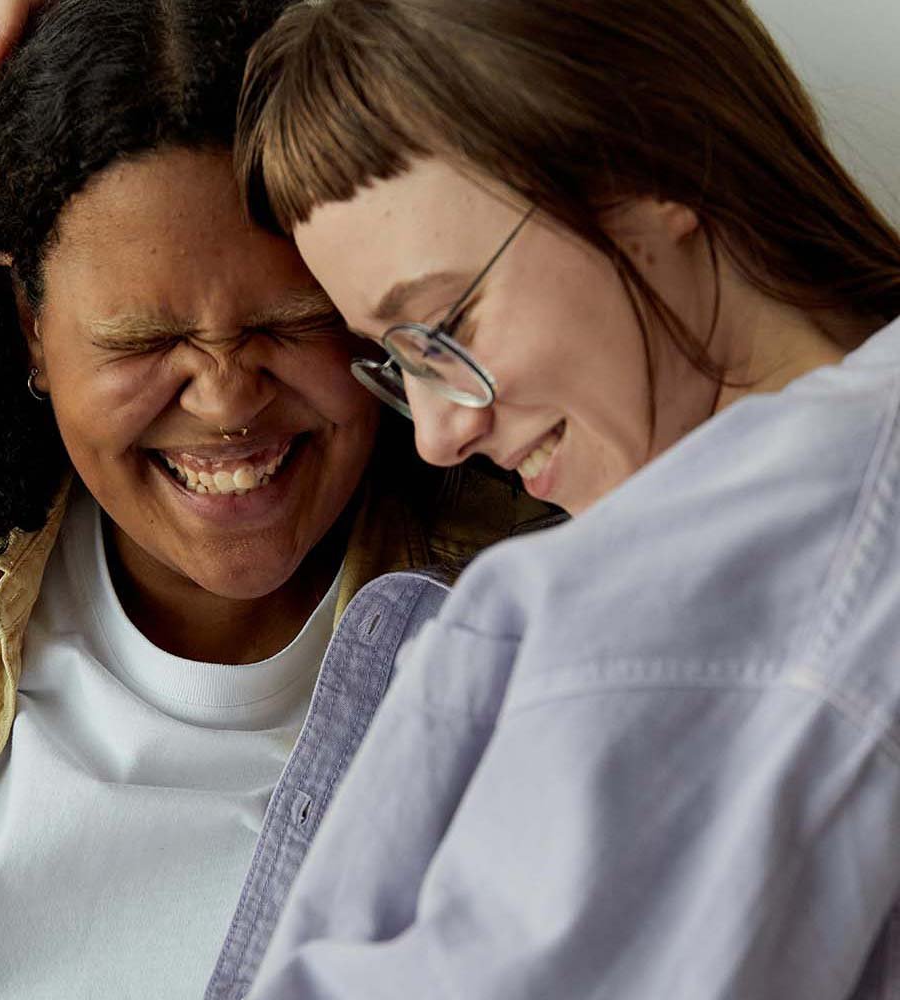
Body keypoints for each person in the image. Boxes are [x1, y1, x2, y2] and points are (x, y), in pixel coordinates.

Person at [227, 0, 900, 997]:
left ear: (651, 164)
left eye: (447, 323)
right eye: (398, 362)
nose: (438, 432)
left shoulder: (665, 611)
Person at [0, 2, 549, 998]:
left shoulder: (544, 615)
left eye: (296, 321)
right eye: (141, 340)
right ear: (30, 325)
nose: (227, 399)